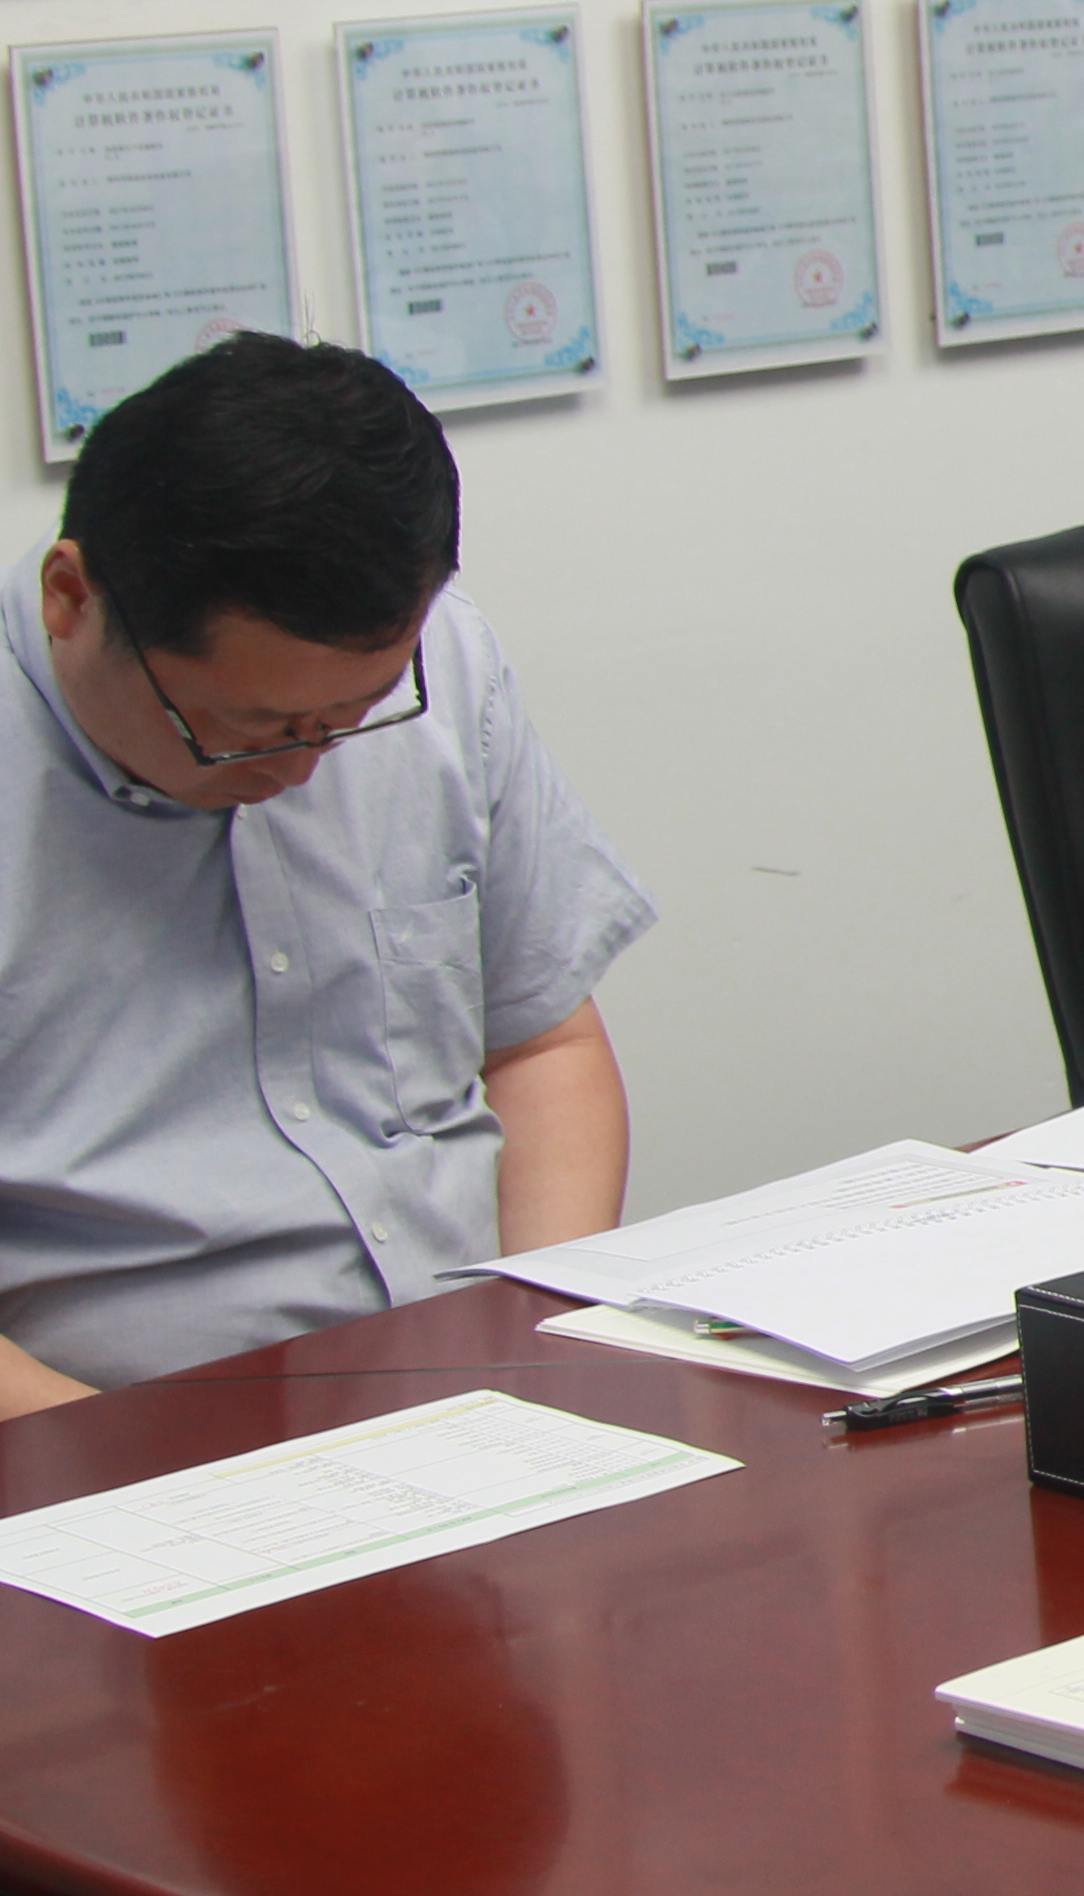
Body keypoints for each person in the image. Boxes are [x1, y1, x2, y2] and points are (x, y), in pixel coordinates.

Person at [0, 336, 648, 1416]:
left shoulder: (439, 662)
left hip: (471, 1384)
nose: (304, 768)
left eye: (355, 716)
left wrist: (542, 1343)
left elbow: (542, 1045)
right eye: (244, 728)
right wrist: (123, 1461)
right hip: (113, 1430)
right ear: (72, 597)